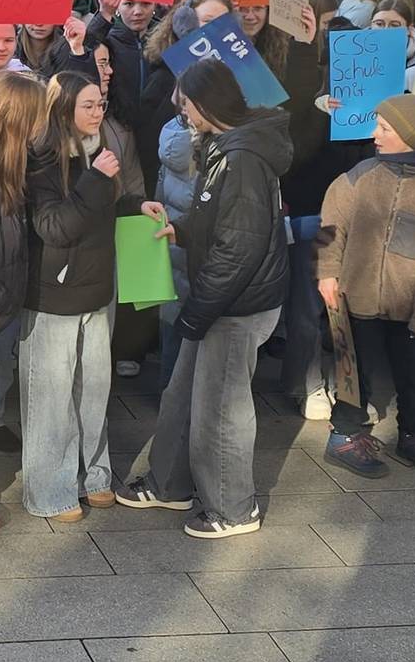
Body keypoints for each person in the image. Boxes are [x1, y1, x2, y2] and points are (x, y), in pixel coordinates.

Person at [117, 61, 293, 538]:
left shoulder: (241, 158)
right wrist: (185, 230)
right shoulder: (229, 147)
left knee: (221, 410)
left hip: (234, 304)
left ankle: (234, 508)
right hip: (222, 298)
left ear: (206, 105)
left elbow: (239, 246)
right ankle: (170, 483)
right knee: (183, 394)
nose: (184, 113)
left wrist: (199, 309)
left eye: (188, 105)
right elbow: (222, 221)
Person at [21, 72, 145, 516]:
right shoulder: (41, 158)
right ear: (64, 110)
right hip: (52, 295)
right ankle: (49, 491)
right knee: (51, 397)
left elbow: (101, 210)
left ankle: (94, 475)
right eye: (88, 106)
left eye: (101, 105)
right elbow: (53, 227)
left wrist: (134, 205)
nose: (98, 114)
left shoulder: (99, 151)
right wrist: (94, 179)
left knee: (94, 391)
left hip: (97, 289)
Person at [315, 93, 415, 478]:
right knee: (352, 372)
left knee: (413, 375)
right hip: (356, 295)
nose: (376, 134)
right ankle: (344, 435)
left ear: (410, 137)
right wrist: (327, 273)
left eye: (386, 128)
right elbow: (331, 227)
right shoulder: (359, 175)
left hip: (407, 303)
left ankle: (414, 437)